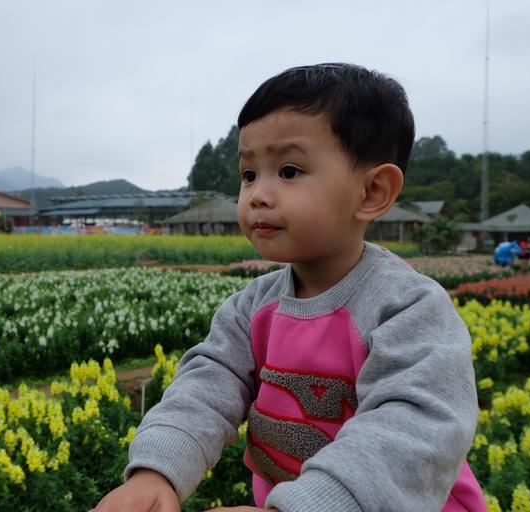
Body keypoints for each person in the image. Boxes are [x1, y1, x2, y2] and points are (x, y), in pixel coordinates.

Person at [93, 63, 486, 511]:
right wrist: (156, 473)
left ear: (373, 191)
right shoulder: (252, 308)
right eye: (248, 174)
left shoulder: (407, 308)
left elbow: (411, 429)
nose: (258, 195)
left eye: (289, 171)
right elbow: (206, 386)